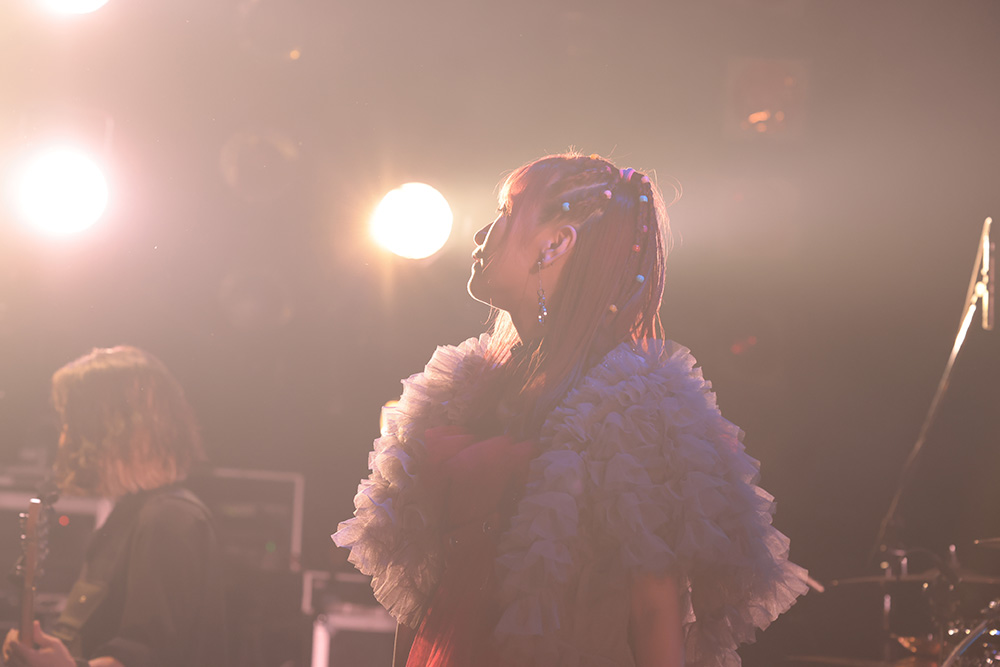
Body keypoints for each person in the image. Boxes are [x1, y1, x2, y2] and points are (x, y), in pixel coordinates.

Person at [334, 153, 808, 666]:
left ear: (555, 244)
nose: (481, 234)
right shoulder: (464, 391)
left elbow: (654, 612)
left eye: (506, 212)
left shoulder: (631, 406)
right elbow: (421, 597)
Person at [3, 346, 228, 667]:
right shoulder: (126, 516)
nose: (65, 437)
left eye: (74, 423)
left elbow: (146, 657)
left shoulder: (169, 520)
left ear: (114, 430)